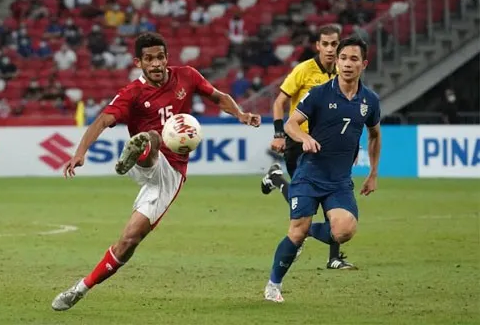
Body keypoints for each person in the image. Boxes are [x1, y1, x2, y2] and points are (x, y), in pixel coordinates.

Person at [51, 32, 261, 311]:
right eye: (149, 59)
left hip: (170, 175)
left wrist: (242, 115)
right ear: (139, 62)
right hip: (146, 164)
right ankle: (139, 151)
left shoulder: (186, 76)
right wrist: (80, 153)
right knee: (151, 136)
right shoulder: (132, 93)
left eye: (160, 57)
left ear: (167, 58)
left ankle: (80, 288)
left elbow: (219, 97)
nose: (156, 64)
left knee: (128, 242)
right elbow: (102, 121)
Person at [263, 37, 382, 303]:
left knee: (344, 231)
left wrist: (373, 173)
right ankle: (273, 285)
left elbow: (374, 134)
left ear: (364, 64)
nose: (347, 64)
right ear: (337, 62)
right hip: (310, 174)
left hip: (340, 180)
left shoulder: (370, 101)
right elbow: (293, 123)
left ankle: (306, 233)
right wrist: (303, 137)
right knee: (296, 229)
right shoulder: (319, 93)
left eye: (353, 59)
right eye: (343, 59)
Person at [260, 24, 356, 270]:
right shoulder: (303, 70)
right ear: (318, 46)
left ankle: (334, 257)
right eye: (325, 44)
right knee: (301, 197)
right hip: (299, 142)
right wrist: (279, 134)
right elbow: (279, 102)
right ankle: (278, 179)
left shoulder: (343, 73)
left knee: (332, 198)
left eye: (335, 44)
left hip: (329, 145)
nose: (331, 49)